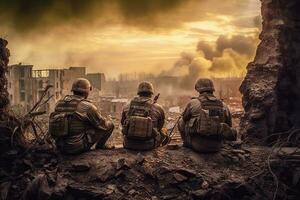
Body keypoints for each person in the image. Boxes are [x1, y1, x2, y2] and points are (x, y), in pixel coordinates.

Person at [49, 78, 114, 155]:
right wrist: (108, 120)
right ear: (87, 91)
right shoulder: (87, 106)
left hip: (60, 146)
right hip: (75, 148)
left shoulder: (60, 103)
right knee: (109, 125)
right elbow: (102, 125)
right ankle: (100, 146)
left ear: (73, 90)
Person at [178, 78, 237, 153]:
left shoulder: (193, 103)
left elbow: (184, 119)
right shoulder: (223, 105)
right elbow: (229, 125)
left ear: (198, 89)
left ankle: (186, 143)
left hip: (198, 145)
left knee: (180, 120)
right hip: (217, 146)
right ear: (212, 89)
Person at [121, 81, 169, 150]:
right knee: (164, 131)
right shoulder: (158, 108)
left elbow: (123, 123)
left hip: (128, 144)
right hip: (148, 146)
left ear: (138, 93)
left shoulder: (127, 106)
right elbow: (159, 127)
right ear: (151, 94)